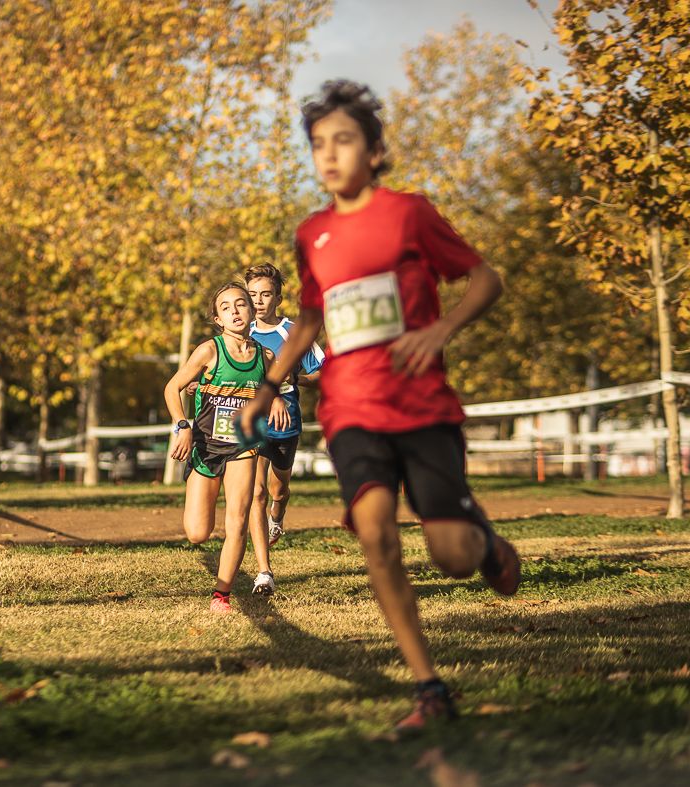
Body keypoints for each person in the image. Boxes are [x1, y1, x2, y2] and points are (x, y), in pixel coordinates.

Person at [236, 79, 521, 730]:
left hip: (421, 405)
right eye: (317, 145)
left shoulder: (409, 214)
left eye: (344, 140)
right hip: (350, 409)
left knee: (447, 554)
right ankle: (428, 687)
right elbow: (309, 320)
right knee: (374, 534)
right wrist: (265, 387)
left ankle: (479, 541)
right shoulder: (312, 235)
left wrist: (440, 329)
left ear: (374, 150)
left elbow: (485, 278)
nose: (329, 155)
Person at [164, 282, 287, 613]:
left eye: (241, 305)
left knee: (238, 519)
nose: (235, 311)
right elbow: (172, 387)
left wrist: (275, 400)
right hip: (205, 446)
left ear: (251, 311)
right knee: (197, 533)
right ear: (217, 318)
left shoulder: (266, 356)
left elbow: (272, 387)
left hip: (244, 445)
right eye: (226, 307)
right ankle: (202, 510)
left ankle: (222, 595)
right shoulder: (209, 351)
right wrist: (182, 425)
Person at [245, 263, 325, 567]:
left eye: (265, 295)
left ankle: (277, 514)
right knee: (257, 490)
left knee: (278, 490)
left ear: (278, 298)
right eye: (252, 295)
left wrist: (297, 379)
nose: (258, 301)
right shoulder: (240, 330)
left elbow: (323, 371)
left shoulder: (292, 332)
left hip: (285, 421)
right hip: (252, 419)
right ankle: (262, 562)